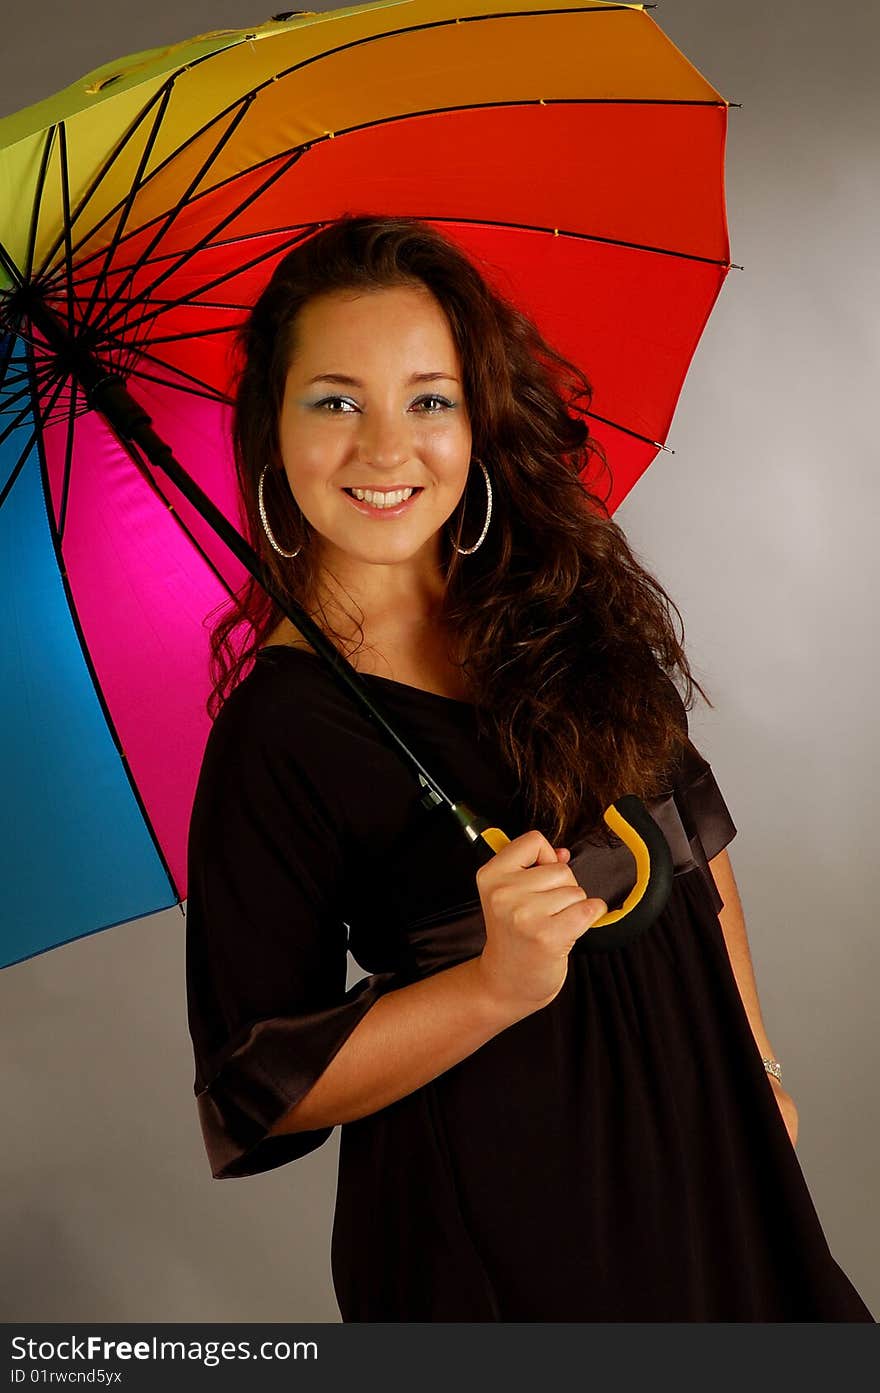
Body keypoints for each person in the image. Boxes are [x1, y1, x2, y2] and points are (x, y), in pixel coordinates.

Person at [184, 213, 874, 1322]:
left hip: (707, 1157)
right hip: (498, 1233)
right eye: (333, 401)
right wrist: (491, 983)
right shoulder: (275, 732)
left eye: (428, 398)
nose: (383, 447)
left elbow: (688, 841)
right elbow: (261, 1089)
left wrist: (761, 1068)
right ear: (272, 428)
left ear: (476, 416)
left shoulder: (557, 605)